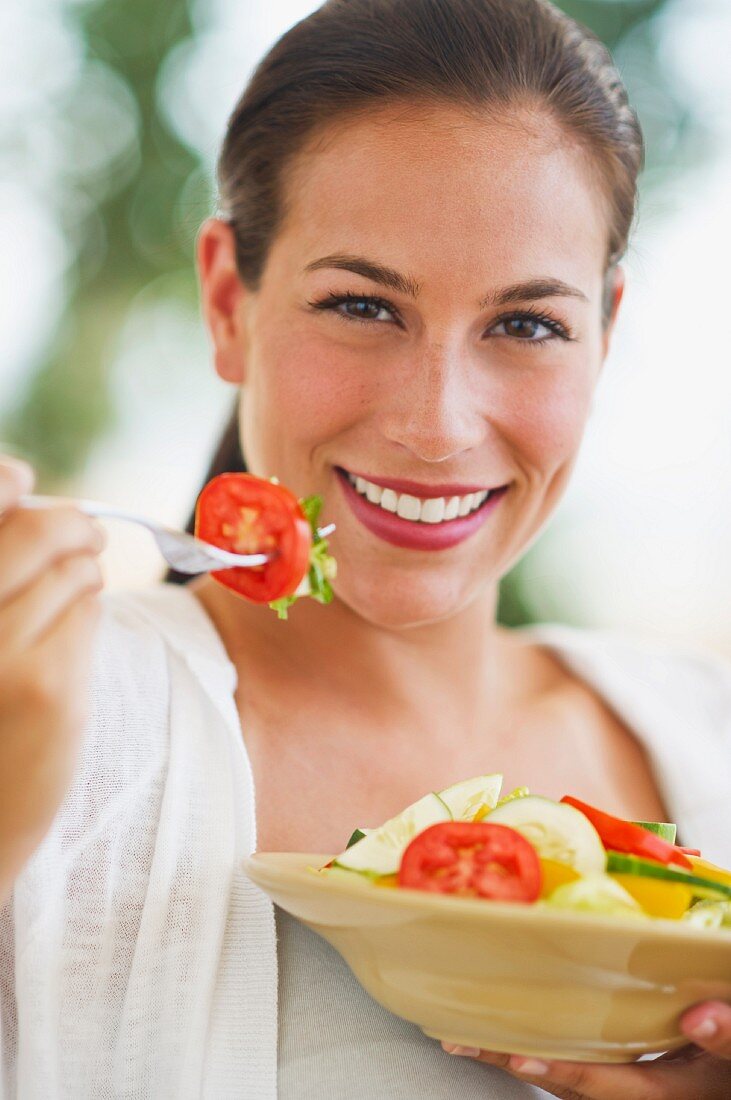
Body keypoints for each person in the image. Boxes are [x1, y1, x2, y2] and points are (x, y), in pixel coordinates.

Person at [1, 0, 730, 1095]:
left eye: (526, 324)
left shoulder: (704, 730)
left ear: (604, 334)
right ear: (226, 301)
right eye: (360, 304)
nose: (436, 423)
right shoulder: (55, 713)